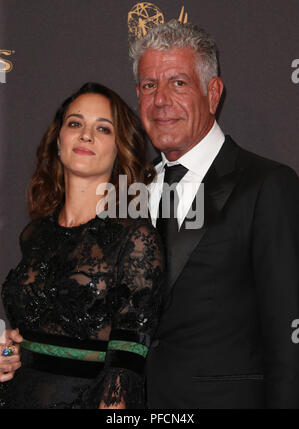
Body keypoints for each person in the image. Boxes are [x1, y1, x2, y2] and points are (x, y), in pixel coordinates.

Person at [129, 20, 299, 408]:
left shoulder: (266, 185)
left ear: (213, 92)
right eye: (148, 85)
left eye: (178, 83)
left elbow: (288, 339)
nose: (160, 101)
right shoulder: (130, 189)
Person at [0, 82, 164, 409]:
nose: (86, 135)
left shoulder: (135, 239)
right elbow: (26, 336)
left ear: (120, 148)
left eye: (102, 128)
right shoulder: (35, 234)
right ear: (58, 141)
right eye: (75, 123)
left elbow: (125, 370)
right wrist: (6, 355)